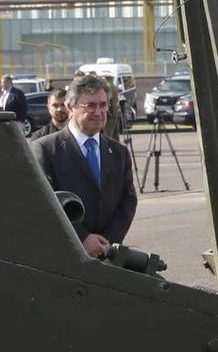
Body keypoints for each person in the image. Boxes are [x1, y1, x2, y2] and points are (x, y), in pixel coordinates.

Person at [30, 71, 137, 256]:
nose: (99, 112)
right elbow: (43, 203)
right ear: (71, 107)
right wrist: (83, 238)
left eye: (103, 105)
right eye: (90, 105)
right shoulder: (45, 149)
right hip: (63, 254)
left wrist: (108, 241)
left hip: (107, 253)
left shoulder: (118, 152)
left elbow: (128, 200)